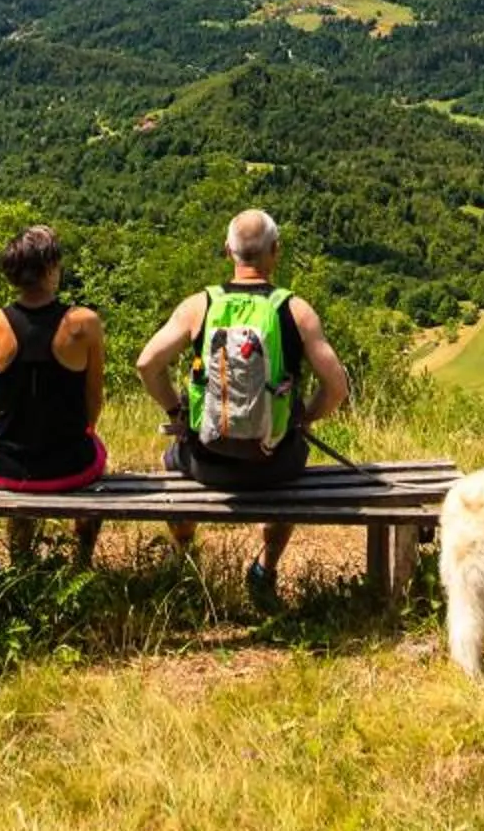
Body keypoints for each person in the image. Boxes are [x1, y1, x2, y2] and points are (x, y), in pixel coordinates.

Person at [133, 208, 353, 607]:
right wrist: (302, 417)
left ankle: (184, 555)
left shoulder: (199, 306)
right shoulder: (295, 310)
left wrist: (176, 414)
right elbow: (337, 387)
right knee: (294, 455)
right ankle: (265, 569)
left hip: (206, 463)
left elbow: (146, 364)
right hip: (275, 467)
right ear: (276, 251)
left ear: (227, 251)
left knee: (170, 459)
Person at [0, 223, 107, 570]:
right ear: (50, 268)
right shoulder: (85, 324)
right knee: (100, 452)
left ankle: (21, 562)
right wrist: (84, 429)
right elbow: (94, 399)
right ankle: (82, 562)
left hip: (5, 467)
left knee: (23, 480)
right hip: (70, 465)